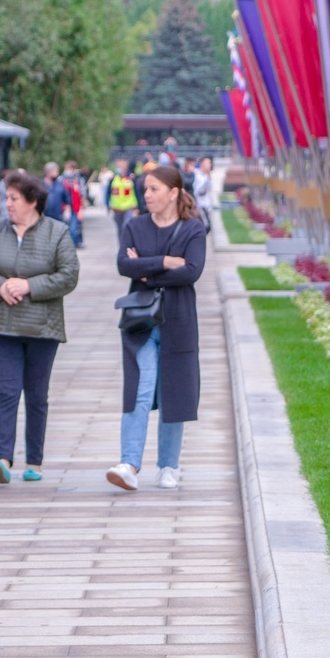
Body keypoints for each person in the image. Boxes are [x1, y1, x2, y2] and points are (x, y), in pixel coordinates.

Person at [0, 170, 80, 483]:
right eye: (7, 198)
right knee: (6, 392)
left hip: (42, 329)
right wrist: (0, 286)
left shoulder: (57, 232)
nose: (8, 204)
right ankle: (3, 458)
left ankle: (34, 462)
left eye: (14, 198)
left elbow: (68, 275)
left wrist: (29, 286)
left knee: (36, 395)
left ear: (33, 201)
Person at [109, 164, 208, 492]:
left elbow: (192, 272)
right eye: (145, 189)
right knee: (140, 387)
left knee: (173, 392)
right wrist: (165, 262)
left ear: (174, 192)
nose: (146, 195)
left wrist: (146, 269)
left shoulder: (193, 228)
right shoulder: (135, 224)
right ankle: (129, 463)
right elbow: (125, 265)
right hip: (141, 321)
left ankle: (169, 465)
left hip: (178, 321)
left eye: (153, 189)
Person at [107, 159, 138, 234]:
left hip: (129, 207)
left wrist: (138, 207)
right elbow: (108, 193)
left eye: (120, 166)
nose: (118, 168)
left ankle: (126, 244)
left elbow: (137, 193)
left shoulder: (131, 178)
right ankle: (121, 245)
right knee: (119, 229)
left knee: (125, 226)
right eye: (117, 166)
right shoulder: (113, 179)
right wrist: (107, 205)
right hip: (117, 208)